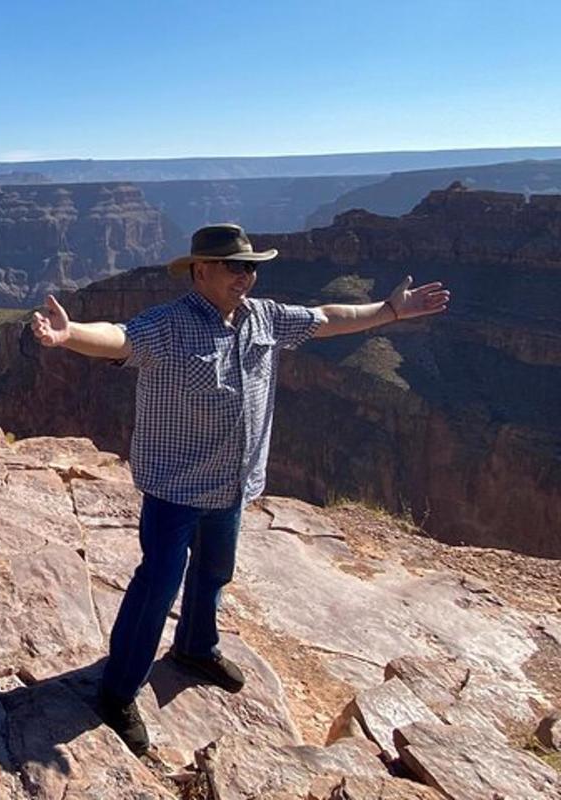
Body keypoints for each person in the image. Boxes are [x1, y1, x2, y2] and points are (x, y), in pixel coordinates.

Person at [30, 223, 449, 756]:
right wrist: (70, 336)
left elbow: (326, 319)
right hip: (177, 487)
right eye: (236, 266)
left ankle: (195, 648)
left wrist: (388, 311)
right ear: (200, 270)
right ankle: (117, 691)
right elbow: (121, 337)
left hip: (231, 484)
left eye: (252, 266)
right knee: (157, 586)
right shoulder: (171, 325)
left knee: (214, 572)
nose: (247, 275)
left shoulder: (264, 318)